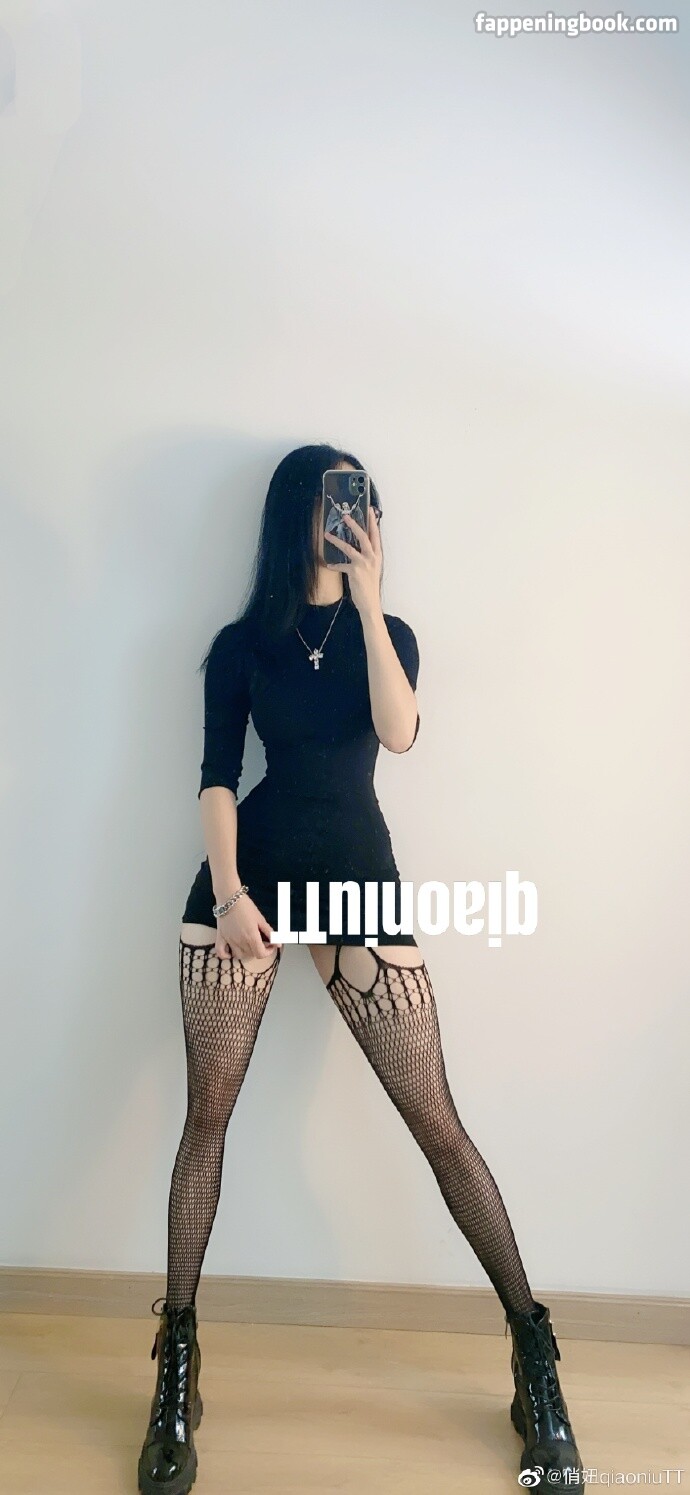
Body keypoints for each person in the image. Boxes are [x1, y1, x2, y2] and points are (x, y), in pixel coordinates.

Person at [138, 444, 584, 1495]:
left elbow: (401, 731)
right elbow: (216, 778)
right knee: (207, 1121)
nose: (356, 515)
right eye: (338, 499)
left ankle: (534, 1355)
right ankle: (176, 1368)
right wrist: (231, 893)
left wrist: (372, 600)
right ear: (296, 511)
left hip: (357, 886)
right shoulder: (239, 645)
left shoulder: (394, 634)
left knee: (438, 1124)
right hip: (248, 888)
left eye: (366, 501)